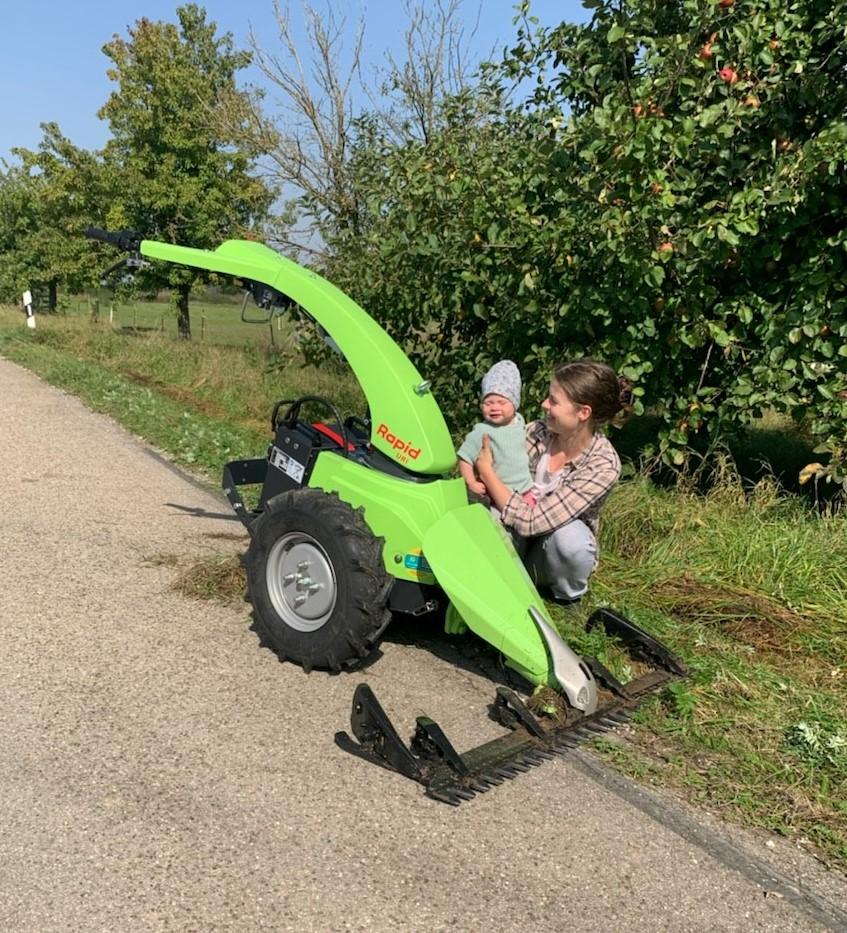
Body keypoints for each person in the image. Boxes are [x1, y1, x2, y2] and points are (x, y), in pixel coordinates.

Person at [474, 359, 631, 604]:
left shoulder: (604, 465)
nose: (544, 404)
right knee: (486, 518)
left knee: (571, 541)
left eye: (554, 401)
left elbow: (531, 521)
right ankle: (498, 580)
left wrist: (487, 472)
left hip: (550, 552)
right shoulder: (535, 431)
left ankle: (567, 599)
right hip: (514, 536)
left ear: (583, 413)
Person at [457, 359, 533, 505]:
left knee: (531, 523)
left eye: (501, 402)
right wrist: (471, 482)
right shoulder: (482, 431)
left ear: (515, 404)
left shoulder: (520, 421)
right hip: (496, 493)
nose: (494, 408)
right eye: (488, 403)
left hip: (526, 490)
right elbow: (464, 457)